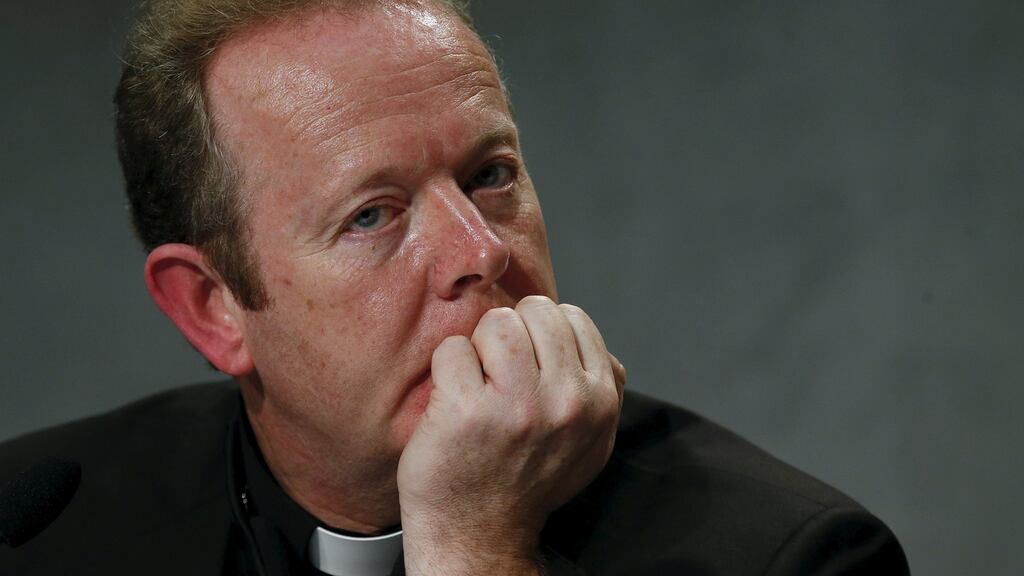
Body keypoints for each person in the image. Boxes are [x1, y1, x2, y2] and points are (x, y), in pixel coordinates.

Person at [0, 0, 910, 574]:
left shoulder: (795, 556)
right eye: (372, 215)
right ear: (214, 308)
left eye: (491, 176)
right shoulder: (37, 530)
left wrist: (476, 547)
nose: (480, 251)